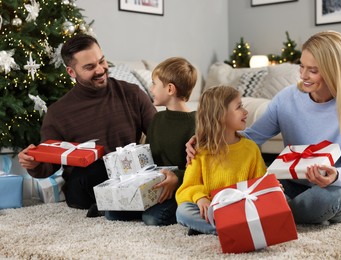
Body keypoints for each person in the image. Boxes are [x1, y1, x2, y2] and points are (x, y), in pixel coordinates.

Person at [186, 31, 341, 225]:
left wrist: (336, 175)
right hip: (290, 183)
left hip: (330, 190)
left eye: (313, 70)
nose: (303, 75)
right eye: (302, 66)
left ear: (334, 71)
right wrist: (211, 139)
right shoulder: (287, 98)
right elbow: (251, 137)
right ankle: (267, 213)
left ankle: (259, 215)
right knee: (262, 178)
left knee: (334, 200)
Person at [18, 34, 157, 216]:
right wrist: (33, 163)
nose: (100, 70)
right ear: (71, 72)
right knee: (96, 167)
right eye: (90, 67)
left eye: (102, 61)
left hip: (128, 175)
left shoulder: (131, 93)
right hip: (84, 186)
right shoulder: (58, 113)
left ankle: (117, 207)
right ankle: (121, 206)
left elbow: (158, 136)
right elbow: (49, 166)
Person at [104, 57, 198, 225]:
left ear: (170, 89)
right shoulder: (157, 119)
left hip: (182, 188)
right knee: (111, 213)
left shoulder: (196, 123)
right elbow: (150, 158)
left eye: (154, 84)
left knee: (153, 218)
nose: (150, 88)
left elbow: (200, 169)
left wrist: (177, 178)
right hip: (155, 187)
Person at [176, 85, 267, 235]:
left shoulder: (250, 148)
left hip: (242, 209)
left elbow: (259, 184)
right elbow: (187, 188)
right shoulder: (199, 151)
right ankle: (237, 229)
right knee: (183, 211)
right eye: (239, 107)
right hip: (213, 208)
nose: (245, 111)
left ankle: (220, 227)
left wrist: (270, 188)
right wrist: (200, 198)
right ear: (220, 115)